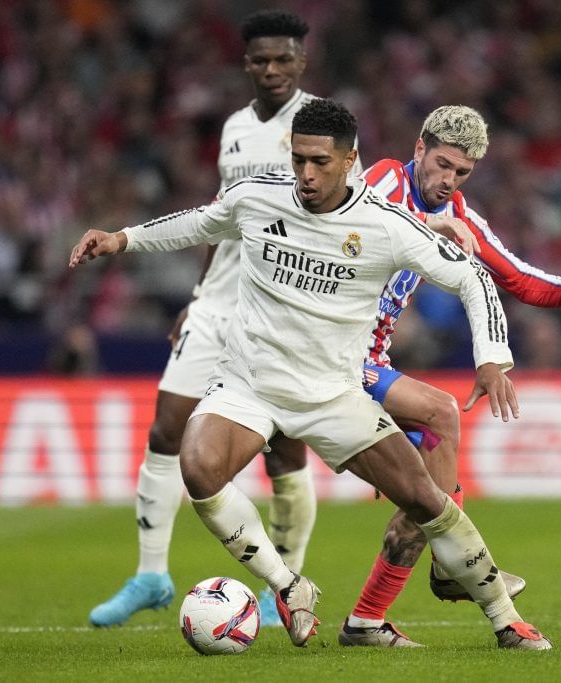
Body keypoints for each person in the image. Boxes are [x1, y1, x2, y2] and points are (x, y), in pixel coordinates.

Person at [71, 98, 552, 650]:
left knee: (426, 500)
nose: (306, 174)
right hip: (249, 384)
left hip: (334, 394)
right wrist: (121, 239)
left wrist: (491, 356)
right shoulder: (258, 196)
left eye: (320, 162)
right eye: (298, 159)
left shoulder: (386, 224)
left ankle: (505, 619)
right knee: (198, 466)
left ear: (349, 161)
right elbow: (199, 223)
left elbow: (474, 278)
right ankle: (288, 585)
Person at [88, 10, 358, 628]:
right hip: (216, 304)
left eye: (283, 58)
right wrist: (197, 292)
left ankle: (281, 587)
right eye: (261, 60)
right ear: (246, 64)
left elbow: (346, 222)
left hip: (280, 306)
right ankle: (150, 575)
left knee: (284, 452)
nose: (272, 69)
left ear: (302, 60)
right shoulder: (235, 127)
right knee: (167, 430)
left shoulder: (323, 128)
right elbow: (222, 217)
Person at [337, 105, 561, 647]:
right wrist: (429, 226)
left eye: (461, 172)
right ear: (419, 149)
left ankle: (368, 620)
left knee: (428, 495)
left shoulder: (458, 210)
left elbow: (514, 275)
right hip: (334, 356)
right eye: (442, 165)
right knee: (441, 413)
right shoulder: (386, 178)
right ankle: (456, 570)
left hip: (369, 364)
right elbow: (354, 222)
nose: (448, 181)